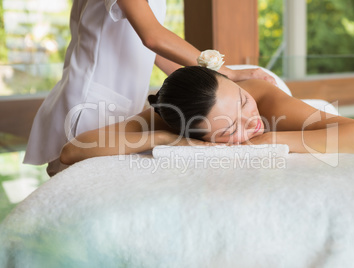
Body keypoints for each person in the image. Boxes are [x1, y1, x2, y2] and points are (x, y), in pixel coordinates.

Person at [23, 0, 275, 176]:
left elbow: (147, 47)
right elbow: (152, 36)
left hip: (116, 102)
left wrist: (197, 87)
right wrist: (226, 72)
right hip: (90, 105)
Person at [60, 66, 354, 167]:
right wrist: (164, 139)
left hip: (301, 113)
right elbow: (72, 150)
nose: (250, 121)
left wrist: (269, 139)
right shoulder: (173, 115)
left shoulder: (263, 102)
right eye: (230, 128)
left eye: (242, 104)